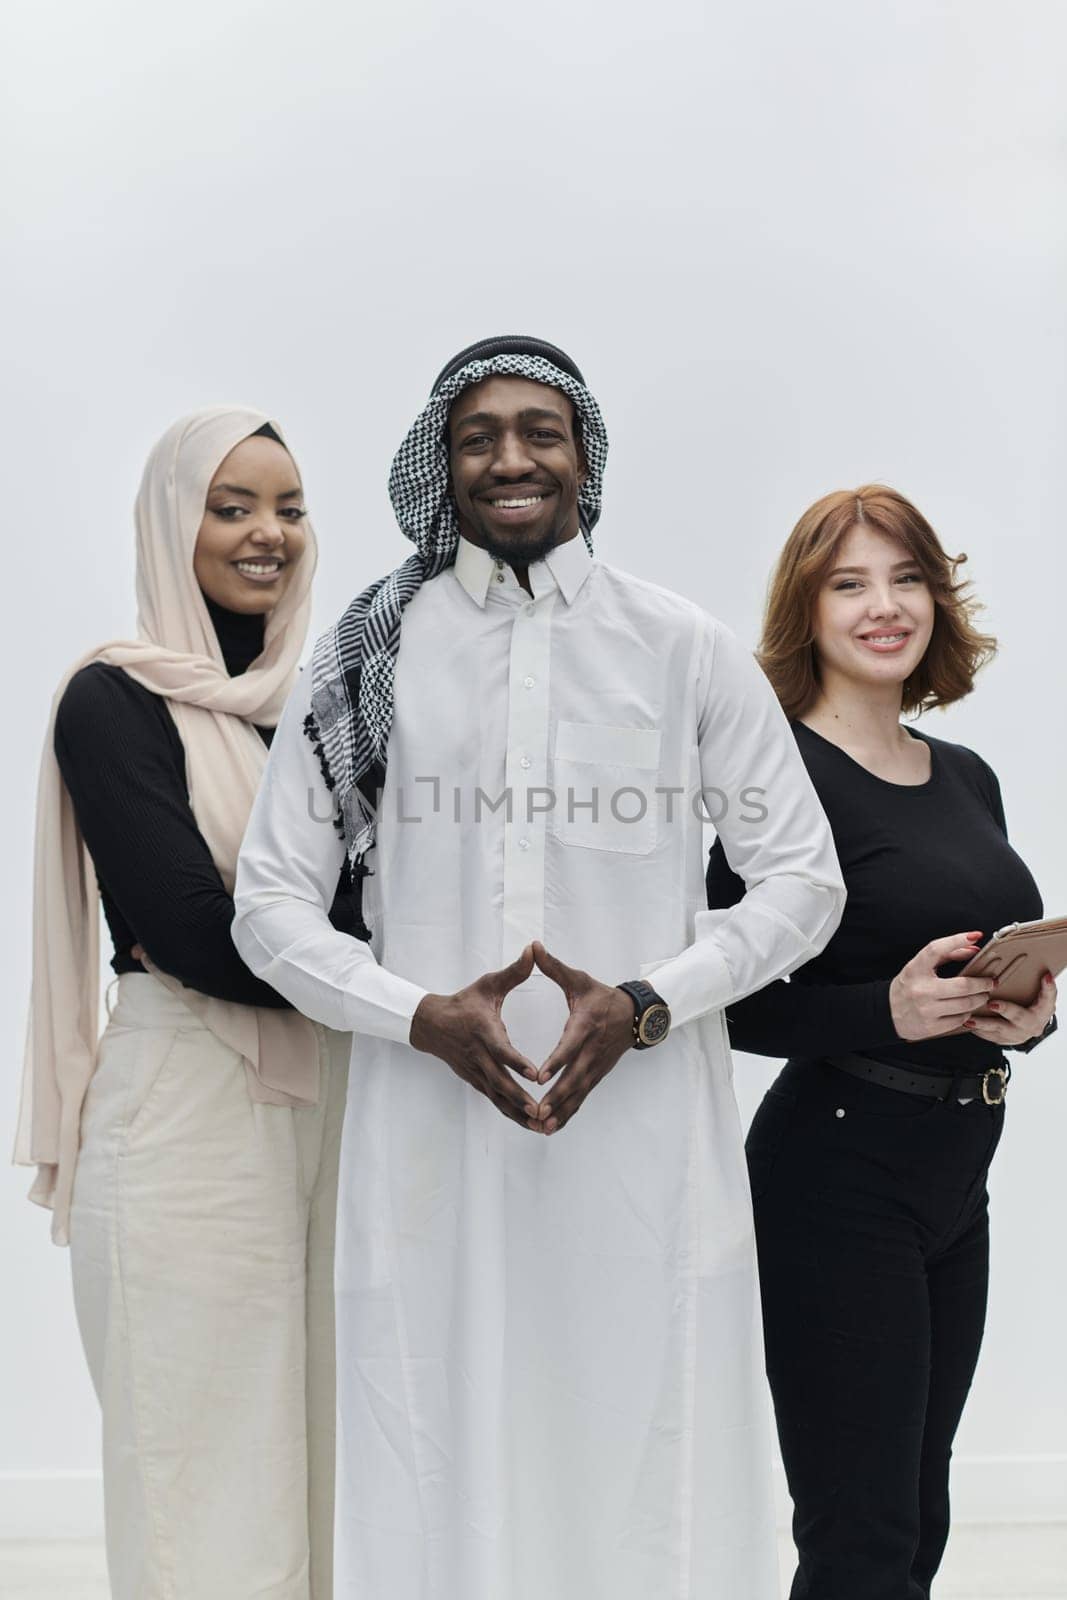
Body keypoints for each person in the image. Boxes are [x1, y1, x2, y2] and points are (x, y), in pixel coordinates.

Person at [232, 334, 847, 1600]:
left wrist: (647, 999)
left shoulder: (679, 646)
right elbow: (267, 904)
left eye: (539, 431)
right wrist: (413, 1015)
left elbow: (804, 879)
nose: (509, 458)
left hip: (639, 1131)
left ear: (585, 458)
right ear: (440, 467)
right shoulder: (373, 649)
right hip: (426, 1131)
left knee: (642, 1430)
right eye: (476, 436)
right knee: (429, 1437)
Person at [16, 408, 357, 1600]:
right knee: (197, 1482)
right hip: (185, 1109)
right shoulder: (113, 703)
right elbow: (200, 937)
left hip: (325, 1102)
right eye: (230, 506)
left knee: (318, 1469)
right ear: (171, 524)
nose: (267, 534)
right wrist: (400, 990)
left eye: (290, 507)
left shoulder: (314, 712)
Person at [706, 485, 1057, 1600]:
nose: (883, 605)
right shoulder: (775, 777)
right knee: (859, 1532)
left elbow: (981, 959)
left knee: (915, 1516)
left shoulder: (963, 776)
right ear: (803, 610)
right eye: (847, 583)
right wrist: (880, 1012)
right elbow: (718, 997)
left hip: (957, 1171)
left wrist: (1031, 1013)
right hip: (834, 1172)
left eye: (906, 577)